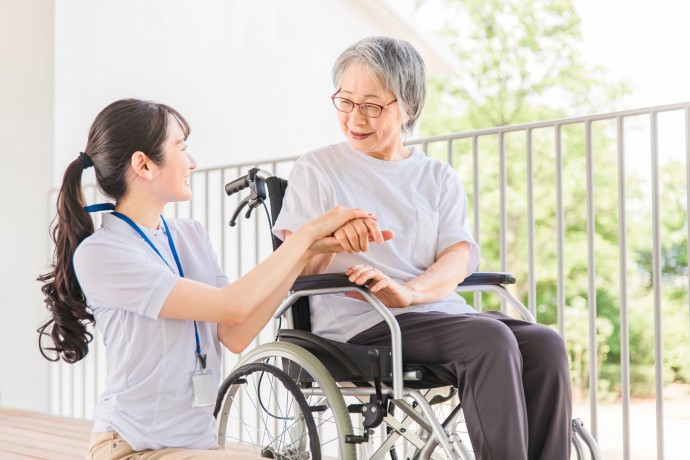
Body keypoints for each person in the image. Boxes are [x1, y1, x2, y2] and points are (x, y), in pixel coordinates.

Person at [272, 36, 572, 460]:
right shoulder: (319, 168)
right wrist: (333, 238)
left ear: (408, 107)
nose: (355, 117)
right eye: (346, 101)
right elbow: (294, 266)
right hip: (362, 323)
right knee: (489, 338)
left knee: (545, 343)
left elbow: (457, 256)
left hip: (434, 315)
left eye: (372, 105)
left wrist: (411, 292)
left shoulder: (437, 176)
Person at [37, 98, 387, 459]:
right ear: (143, 164)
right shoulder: (102, 253)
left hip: (196, 446)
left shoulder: (190, 235)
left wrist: (308, 252)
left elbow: (234, 332)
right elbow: (231, 305)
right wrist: (304, 235)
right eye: (182, 147)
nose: (192, 162)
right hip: (131, 448)